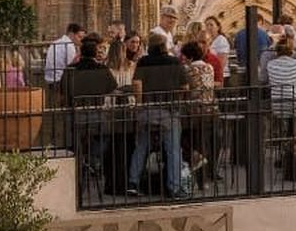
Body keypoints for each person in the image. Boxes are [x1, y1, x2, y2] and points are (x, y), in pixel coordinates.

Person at [126, 37, 189, 198]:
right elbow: (185, 87)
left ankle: (133, 182)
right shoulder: (175, 62)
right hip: (169, 111)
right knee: (173, 149)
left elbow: (137, 84)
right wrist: (177, 100)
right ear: (164, 46)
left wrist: (139, 105)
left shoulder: (143, 62)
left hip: (148, 110)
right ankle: (174, 188)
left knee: (141, 147)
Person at [63, 37, 118, 174]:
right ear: (95, 54)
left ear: (81, 52)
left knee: (76, 141)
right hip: (96, 113)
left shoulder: (70, 70)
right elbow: (112, 88)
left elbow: (63, 91)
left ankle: (80, 162)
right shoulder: (102, 69)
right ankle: (93, 158)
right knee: (106, 136)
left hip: (75, 112)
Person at [266, 35, 296, 157]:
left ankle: (288, 145)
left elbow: (268, 81)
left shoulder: (270, 64)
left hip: (277, 105)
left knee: (291, 117)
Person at [180, 40, 217, 181]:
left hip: (194, 111)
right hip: (211, 110)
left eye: (184, 57)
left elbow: (185, 89)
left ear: (189, 57)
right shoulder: (209, 67)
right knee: (203, 142)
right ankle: (204, 177)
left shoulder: (188, 69)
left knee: (183, 137)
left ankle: (195, 162)